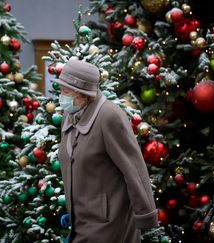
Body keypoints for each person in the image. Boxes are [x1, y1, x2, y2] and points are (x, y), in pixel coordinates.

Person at [54, 58, 158, 243]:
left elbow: (133, 168)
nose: (61, 96)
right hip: (80, 223)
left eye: (65, 91)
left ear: (83, 94)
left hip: (109, 225)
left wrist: (146, 215)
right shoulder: (69, 116)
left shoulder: (109, 116)